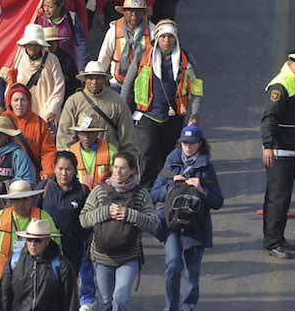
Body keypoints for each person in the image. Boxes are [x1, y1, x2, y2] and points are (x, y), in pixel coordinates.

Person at [151, 124, 224, 311]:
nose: (188, 147)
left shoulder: (206, 167)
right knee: (173, 265)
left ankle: (188, 308)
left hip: (195, 226)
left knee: (192, 273)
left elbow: (217, 201)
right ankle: (170, 307)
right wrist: (170, 187)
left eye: (192, 143)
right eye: (185, 143)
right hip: (172, 224)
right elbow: (154, 193)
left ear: (200, 144)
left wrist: (202, 189)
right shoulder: (171, 162)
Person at [123, 20, 203, 188]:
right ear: (157, 38)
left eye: (170, 37)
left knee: (168, 155)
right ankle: (144, 191)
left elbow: (196, 89)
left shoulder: (186, 60)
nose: (167, 41)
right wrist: (123, 110)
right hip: (146, 115)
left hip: (173, 117)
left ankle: (163, 190)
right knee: (146, 153)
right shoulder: (142, 56)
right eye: (163, 37)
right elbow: (128, 85)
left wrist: (194, 114)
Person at [79, 152, 158, 311]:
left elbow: (154, 224)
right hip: (102, 257)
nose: (118, 171)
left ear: (132, 170)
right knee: (105, 302)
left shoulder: (140, 193)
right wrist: (106, 212)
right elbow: (84, 219)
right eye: (115, 167)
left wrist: (130, 215)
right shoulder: (100, 191)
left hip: (128, 256)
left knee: (120, 298)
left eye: (123, 168)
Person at [262, 47, 295, 260]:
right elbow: (269, 118)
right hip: (280, 151)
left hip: (291, 150)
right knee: (277, 199)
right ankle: (272, 242)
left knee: (282, 198)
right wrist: (268, 145)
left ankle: (278, 238)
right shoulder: (281, 85)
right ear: (289, 63)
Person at [0, 179, 56, 306]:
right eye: (17, 200)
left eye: (25, 199)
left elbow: (56, 252)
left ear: (31, 199)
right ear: (10, 201)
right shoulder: (0, 217)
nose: (21, 203)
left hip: (35, 284)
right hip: (2, 282)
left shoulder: (44, 218)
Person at [39, 152, 93, 311]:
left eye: (68, 169)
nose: (64, 173)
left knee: (69, 287)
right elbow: (34, 213)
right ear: (54, 168)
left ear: (75, 170)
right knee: (47, 286)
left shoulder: (82, 191)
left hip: (73, 249)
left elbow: (89, 221)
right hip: (46, 248)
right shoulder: (44, 187)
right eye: (60, 168)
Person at [56, 61, 139, 162]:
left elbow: (127, 136)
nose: (94, 82)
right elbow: (65, 136)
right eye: (91, 78)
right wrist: (66, 160)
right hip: (80, 162)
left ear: (104, 79)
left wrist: (130, 161)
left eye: (98, 78)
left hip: (110, 159)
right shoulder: (73, 101)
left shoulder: (117, 102)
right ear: (85, 80)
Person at [0, 218, 77, 311]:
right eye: (29, 239)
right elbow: (2, 297)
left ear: (47, 241)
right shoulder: (14, 261)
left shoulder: (62, 266)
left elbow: (71, 302)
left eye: (38, 240)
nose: (33, 244)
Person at [0, 25, 65, 126]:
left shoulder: (52, 60)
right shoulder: (16, 58)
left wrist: (52, 110)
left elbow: (59, 89)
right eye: (30, 44)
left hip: (46, 114)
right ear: (25, 45)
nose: (33, 48)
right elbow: (1, 79)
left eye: (36, 44)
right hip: (20, 113)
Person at [0, 83, 57, 181]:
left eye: (23, 100)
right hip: (6, 172)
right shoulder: (3, 119)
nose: (19, 104)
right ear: (10, 102)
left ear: (29, 102)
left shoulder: (39, 123)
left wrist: (48, 171)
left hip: (31, 174)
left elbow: (48, 151)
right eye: (16, 100)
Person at [95, 0, 151, 90]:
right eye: (130, 10)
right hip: (116, 84)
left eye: (138, 10)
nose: (134, 14)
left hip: (143, 85)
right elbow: (103, 59)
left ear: (143, 13)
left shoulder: (152, 32)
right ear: (124, 12)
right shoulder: (114, 31)